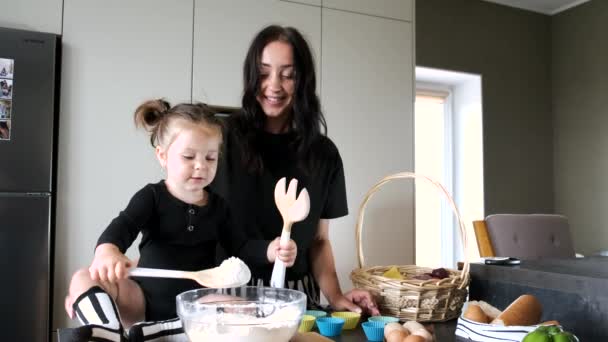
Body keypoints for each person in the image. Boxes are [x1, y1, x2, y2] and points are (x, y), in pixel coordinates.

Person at [63, 99, 297, 342]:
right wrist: (107, 252)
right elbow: (123, 227)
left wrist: (271, 249)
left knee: (238, 308)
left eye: (210, 158)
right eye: (188, 156)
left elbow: (241, 246)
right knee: (83, 277)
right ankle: (108, 333)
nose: (200, 167)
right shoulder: (151, 197)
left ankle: (158, 333)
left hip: (197, 304)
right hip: (141, 299)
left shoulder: (219, 207)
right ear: (162, 156)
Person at [212, 25, 380, 316]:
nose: (274, 85)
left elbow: (318, 240)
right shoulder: (222, 140)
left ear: (303, 81)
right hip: (228, 298)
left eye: (287, 75)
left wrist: (337, 296)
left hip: (298, 300)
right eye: (264, 73)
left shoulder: (324, 154)